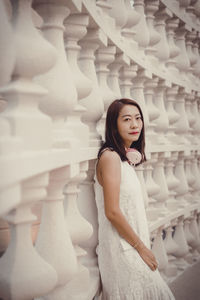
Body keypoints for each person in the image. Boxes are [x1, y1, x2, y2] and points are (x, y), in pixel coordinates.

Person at [94, 98, 175, 299]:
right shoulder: (110, 157)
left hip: (131, 248)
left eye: (138, 118)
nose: (134, 125)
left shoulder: (122, 160)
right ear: (114, 125)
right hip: (123, 251)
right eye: (127, 119)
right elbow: (112, 211)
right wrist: (141, 249)